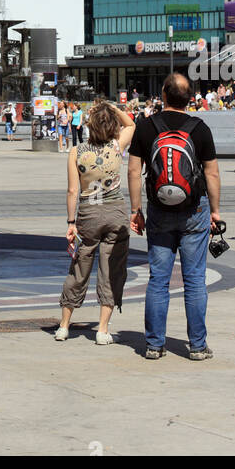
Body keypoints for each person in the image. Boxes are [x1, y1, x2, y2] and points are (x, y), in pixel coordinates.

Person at [128, 73, 221, 360]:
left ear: (164, 95)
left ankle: (154, 345)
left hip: (159, 211)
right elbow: (212, 173)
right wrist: (215, 211)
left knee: (158, 279)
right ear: (189, 98)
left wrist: (136, 210)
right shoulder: (200, 129)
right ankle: (197, 346)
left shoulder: (146, 127)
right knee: (194, 280)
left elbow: (133, 171)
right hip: (194, 210)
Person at [55, 102, 135, 345]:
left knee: (79, 269)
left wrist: (71, 222)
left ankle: (64, 325)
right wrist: (111, 107)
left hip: (88, 214)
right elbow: (131, 123)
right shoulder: (116, 146)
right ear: (112, 127)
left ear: (89, 126)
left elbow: (71, 190)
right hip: (115, 215)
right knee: (111, 270)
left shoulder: (76, 152)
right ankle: (102, 329)